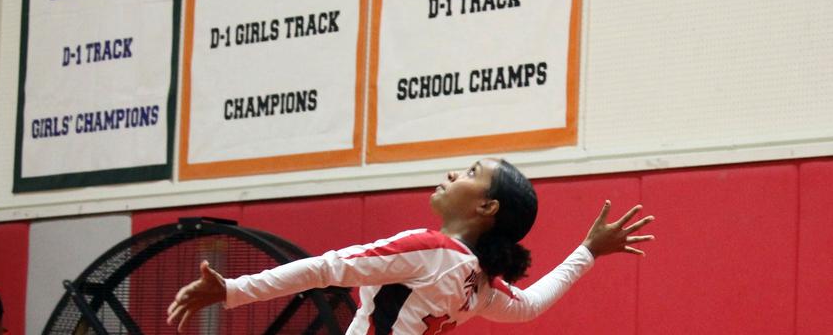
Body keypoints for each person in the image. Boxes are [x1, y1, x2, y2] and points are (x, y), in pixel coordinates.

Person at [168, 158, 655, 333]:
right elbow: (529, 307)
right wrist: (587, 252)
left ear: (487, 208)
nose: (451, 173)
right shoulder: (479, 282)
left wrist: (233, 291)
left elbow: (326, 268)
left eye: (469, 173)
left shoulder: (431, 249)